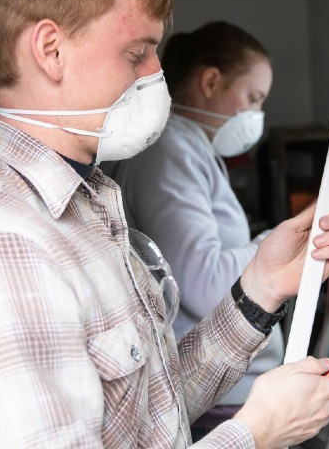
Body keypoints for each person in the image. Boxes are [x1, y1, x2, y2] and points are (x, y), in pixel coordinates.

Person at [0, 0, 329, 449]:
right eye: (136, 53)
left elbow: (151, 414)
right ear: (51, 50)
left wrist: (261, 285)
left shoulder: (88, 205)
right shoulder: (5, 242)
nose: (157, 75)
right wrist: (254, 434)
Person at [105, 22, 282, 438]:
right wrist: (274, 246)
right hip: (216, 397)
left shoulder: (191, 148)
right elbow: (202, 282)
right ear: (210, 81)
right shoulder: (170, 150)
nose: (257, 116)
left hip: (227, 387)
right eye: (253, 99)